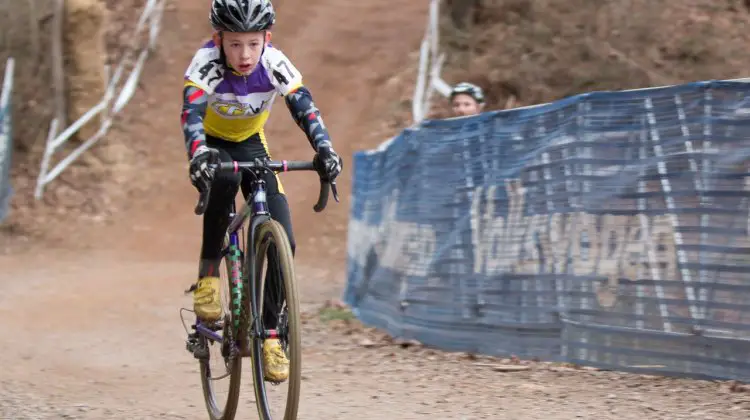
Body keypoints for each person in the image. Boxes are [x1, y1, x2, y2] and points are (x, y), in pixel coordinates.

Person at [180, 0, 343, 383]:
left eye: (253, 43)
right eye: (234, 44)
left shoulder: (275, 61)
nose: (245, 54)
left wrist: (325, 149)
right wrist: (198, 152)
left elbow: (305, 106)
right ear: (219, 39)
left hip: (252, 143)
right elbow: (191, 113)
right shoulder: (205, 62)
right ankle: (208, 277)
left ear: (266, 38)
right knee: (223, 180)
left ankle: (271, 335)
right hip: (214, 145)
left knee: (285, 238)